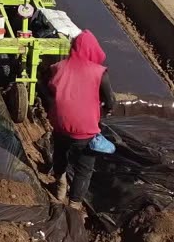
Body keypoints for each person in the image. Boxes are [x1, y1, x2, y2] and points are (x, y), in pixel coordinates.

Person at [38, 30, 116, 209]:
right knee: (84, 168)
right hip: (85, 129)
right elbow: (111, 101)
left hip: (60, 123)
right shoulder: (99, 73)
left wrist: (52, 102)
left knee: (60, 153)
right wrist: (102, 113)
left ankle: (60, 186)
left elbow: (43, 84)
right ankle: (74, 204)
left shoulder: (58, 67)